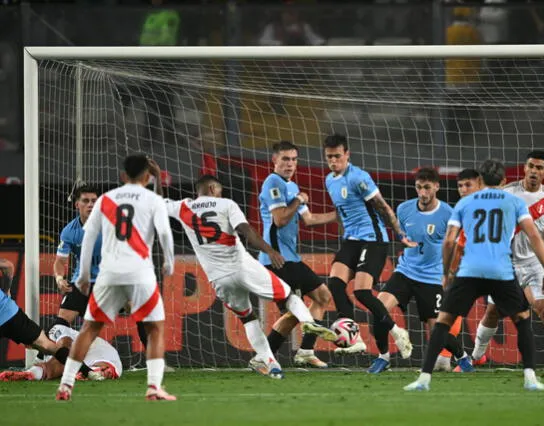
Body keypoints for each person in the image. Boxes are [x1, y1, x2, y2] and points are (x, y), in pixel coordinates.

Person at [164, 175, 337, 379]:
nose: (220, 193)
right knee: (289, 296)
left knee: (247, 318)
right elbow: (247, 231)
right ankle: (308, 321)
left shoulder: (182, 207)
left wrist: (157, 178)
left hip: (218, 278)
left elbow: (157, 203)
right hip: (242, 266)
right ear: (212, 188)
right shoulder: (226, 204)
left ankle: (270, 362)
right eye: (219, 190)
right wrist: (269, 250)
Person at [404, 159, 544, 392]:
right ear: (503, 181)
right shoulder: (514, 202)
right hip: (500, 271)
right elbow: (533, 235)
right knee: (522, 319)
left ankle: (423, 379)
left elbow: (450, 240)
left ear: (480, 180)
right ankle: (530, 378)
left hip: (470, 270)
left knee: (443, 323)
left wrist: (445, 273)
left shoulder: (466, 202)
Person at [55, 154, 176, 401]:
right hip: (139, 273)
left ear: (122, 177)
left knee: (89, 328)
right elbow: (164, 232)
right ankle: (154, 387)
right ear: (147, 176)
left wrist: (85, 275)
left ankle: (66, 384)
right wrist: (169, 262)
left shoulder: (108, 199)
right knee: (154, 328)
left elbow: (88, 237)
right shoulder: (151, 199)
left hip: (108, 274)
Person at [470, 151, 544, 372]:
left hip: (536, 262)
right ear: (524, 168)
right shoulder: (508, 192)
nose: (534, 171)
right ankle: (476, 356)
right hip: (506, 262)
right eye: (530, 166)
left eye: (539, 168)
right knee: (493, 311)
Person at [368, 168, 473, 374]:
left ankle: (462, 356)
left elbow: (455, 246)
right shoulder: (404, 209)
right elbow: (401, 235)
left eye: (427, 187)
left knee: (437, 331)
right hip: (406, 272)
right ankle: (383, 357)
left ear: (436, 187)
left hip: (432, 278)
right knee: (378, 309)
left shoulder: (448, 214)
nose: (422, 193)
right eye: (418, 187)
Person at [323, 133, 414, 357]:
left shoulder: (358, 177)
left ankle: (397, 332)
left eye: (337, 156)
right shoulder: (329, 180)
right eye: (329, 157)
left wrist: (400, 234)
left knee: (362, 292)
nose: (333, 161)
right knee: (335, 284)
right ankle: (354, 339)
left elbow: (382, 207)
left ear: (347, 154)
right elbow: (342, 212)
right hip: (352, 240)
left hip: (373, 240)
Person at [259, 141, 337, 368]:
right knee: (295, 312)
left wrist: (337, 215)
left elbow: (310, 219)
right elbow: (280, 219)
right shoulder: (272, 182)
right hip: (277, 260)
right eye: (285, 159)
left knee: (320, 298)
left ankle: (305, 351)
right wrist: (298, 200)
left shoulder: (291, 186)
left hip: (291, 259)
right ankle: (264, 357)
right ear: (274, 160)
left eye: (294, 159)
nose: (290, 164)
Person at [52, 184, 149, 349]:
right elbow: (60, 261)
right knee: (61, 322)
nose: (90, 204)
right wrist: (59, 278)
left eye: (94, 201)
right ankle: (54, 359)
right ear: (77, 204)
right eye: (85, 201)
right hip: (83, 282)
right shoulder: (69, 231)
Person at [0, 259, 99, 380]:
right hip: (9, 311)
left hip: (8, 312)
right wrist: (5, 292)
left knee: (47, 345)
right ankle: (88, 372)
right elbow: (8, 265)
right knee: (47, 345)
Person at [435, 168, 483, 372]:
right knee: (454, 308)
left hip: (500, 265)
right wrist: (452, 270)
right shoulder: (463, 208)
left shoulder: (493, 203)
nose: (463, 190)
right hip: (472, 267)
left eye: (468, 185)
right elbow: (459, 243)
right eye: (460, 186)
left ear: (479, 183)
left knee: (520, 313)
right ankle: (447, 357)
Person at [0, 322, 122, 382]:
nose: (27, 346)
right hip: (80, 361)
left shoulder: (54, 330)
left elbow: (65, 343)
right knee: (52, 367)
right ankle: (28, 375)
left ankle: (100, 371)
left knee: (62, 355)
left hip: (96, 350)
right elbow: (50, 368)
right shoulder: (42, 356)